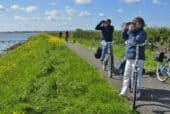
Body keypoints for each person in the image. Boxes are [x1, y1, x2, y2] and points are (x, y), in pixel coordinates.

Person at [120, 17, 147, 99]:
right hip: (129, 57)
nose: (134, 24)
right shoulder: (132, 31)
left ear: (141, 24)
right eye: (133, 22)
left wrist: (130, 33)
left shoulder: (142, 32)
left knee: (137, 77)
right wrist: (125, 29)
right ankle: (124, 92)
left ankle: (137, 94)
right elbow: (124, 37)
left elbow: (135, 41)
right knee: (126, 75)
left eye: (135, 23)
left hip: (138, 58)